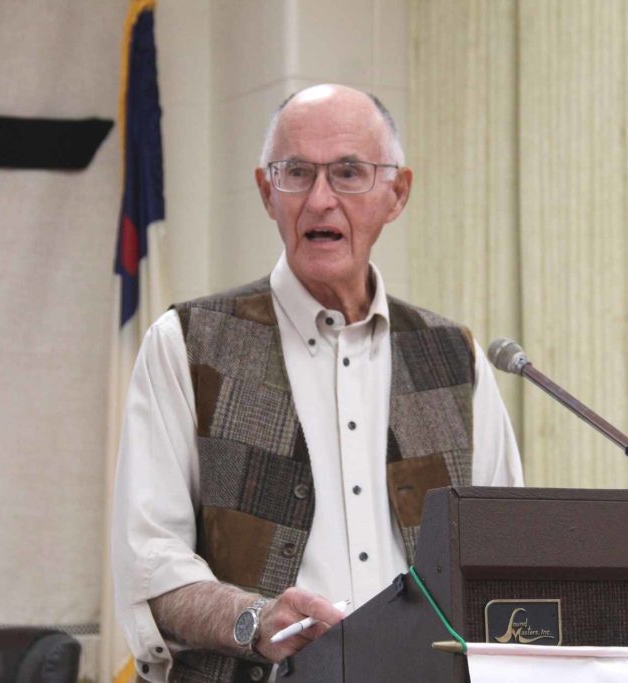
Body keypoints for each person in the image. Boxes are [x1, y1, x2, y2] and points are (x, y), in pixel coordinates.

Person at [112, 84, 524, 683]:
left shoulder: (454, 358)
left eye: (348, 173)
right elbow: (150, 566)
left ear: (397, 194)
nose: (320, 200)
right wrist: (255, 620)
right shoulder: (188, 344)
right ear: (267, 192)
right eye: (297, 173)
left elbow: (502, 556)